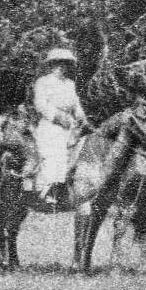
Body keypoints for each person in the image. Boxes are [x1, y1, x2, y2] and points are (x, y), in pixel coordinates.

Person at [32, 48, 87, 206]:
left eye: (64, 64)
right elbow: (40, 104)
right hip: (50, 125)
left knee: (77, 151)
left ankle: (67, 189)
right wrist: (57, 117)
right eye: (57, 64)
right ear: (51, 65)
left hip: (69, 125)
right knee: (53, 154)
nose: (61, 67)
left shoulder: (70, 84)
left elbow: (76, 104)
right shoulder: (43, 82)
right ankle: (45, 190)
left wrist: (81, 117)